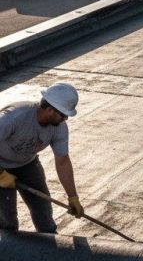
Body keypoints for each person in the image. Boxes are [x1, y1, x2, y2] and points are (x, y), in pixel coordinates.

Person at [0, 83, 84, 233]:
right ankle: (8, 247)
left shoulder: (59, 128)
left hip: (27, 164)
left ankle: (49, 240)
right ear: (50, 110)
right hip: (1, 164)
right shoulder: (13, 117)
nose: (65, 119)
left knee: (42, 207)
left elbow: (63, 161)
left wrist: (73, 197)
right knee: (6, 217)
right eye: (63, 115)